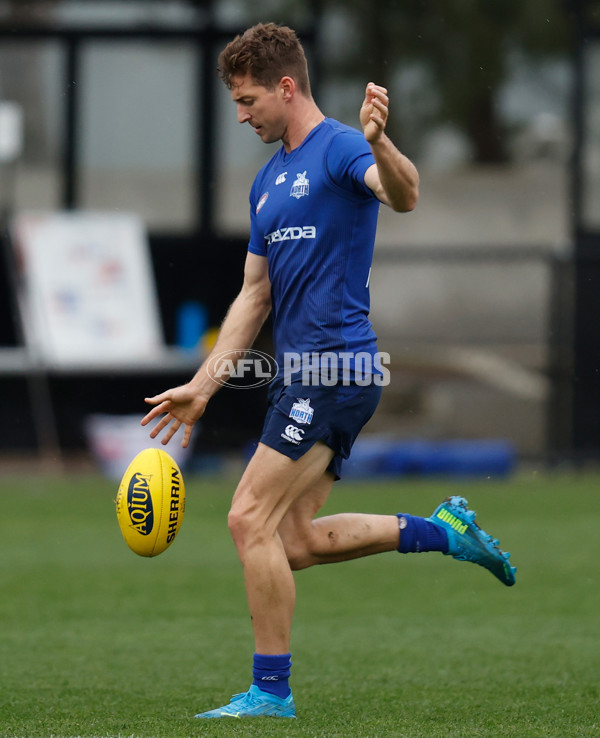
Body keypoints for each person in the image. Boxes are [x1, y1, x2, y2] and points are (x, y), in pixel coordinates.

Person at [141, 22, 516, 720]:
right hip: (301, 375)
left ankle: (270, 693)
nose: (241, 112)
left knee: (247, 517)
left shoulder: (343, 147)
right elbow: (254, 296)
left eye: (248, 98)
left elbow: (403, 195)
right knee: (295, 541)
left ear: (287, 86)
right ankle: (444, 533)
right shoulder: (266, 183)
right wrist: (202, 383)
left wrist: (380, 141)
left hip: (337, 367)